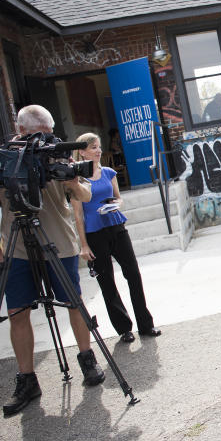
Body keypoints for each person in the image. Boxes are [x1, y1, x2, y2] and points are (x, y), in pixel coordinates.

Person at [0, 105, 105, 418]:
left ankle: (87, 359)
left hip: (58, 243)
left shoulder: (58, 152)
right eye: (43, 132)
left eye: (50, 131)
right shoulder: (2, 158)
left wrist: (71, 180)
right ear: (22, 130)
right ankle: (27, 380)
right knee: (17, 312)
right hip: (17, 246)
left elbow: (85, 195)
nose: (48, 137)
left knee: (74, 303)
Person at [72, 132, 161, 344]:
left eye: (99, 146)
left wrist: (114, 204)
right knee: (107, 282)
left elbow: (119, 199)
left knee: (133, 274)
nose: (98, 150)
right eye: (93, 147)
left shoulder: (109, 172)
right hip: (94, 234)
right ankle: (123, 329)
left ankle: (145, 324)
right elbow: (77, 215)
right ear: (82, 151)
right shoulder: (76, 179)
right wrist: (83, 245)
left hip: (116, 227)